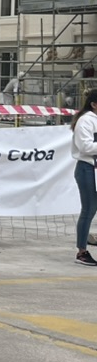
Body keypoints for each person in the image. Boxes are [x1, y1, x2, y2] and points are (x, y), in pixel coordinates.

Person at [70, 89, 97, 266]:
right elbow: (85, 147)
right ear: (94, 104)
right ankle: (81, 251)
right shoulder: (86, 121)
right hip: (87, 169)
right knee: (88, 209)